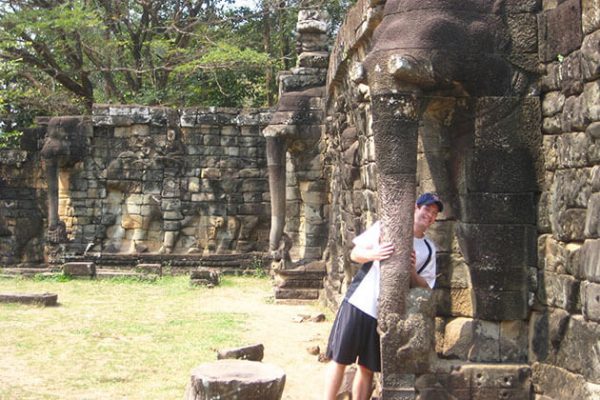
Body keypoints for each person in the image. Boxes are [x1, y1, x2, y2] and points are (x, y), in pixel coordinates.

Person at [323, 192, 443, 400]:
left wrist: (412, 271)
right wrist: (374, 253)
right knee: (339, 359)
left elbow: (426, 287)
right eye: (426, 209)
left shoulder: (429, 250)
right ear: (415, 208)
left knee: (367, 368)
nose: (429, 215)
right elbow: (354, 253)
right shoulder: (386, 228)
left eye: (434, 213)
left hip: (387, 313)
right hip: (359, 302)